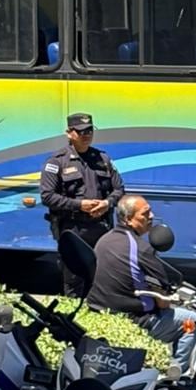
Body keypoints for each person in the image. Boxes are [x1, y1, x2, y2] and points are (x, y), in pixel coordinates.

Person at [88, 195, 196, 368]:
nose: (152, 216)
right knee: (191, 321)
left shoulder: (104, 240)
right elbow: (163, 303)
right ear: (128, 219)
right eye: (145, 214)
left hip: (100, 313)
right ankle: (178, 377)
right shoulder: (141, 249)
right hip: (134, 321)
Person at [40, 113, 124, 296]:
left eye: (89, 131)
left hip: (102, 228)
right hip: (73, 229)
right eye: (80, 132)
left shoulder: (102, 159)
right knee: (74, 282)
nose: (86, 135)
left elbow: (119, 189)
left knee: (102, 280)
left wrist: (106, 203)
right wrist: (79, 205)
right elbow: (47, 196)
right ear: (69, 133)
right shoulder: (57, 161)